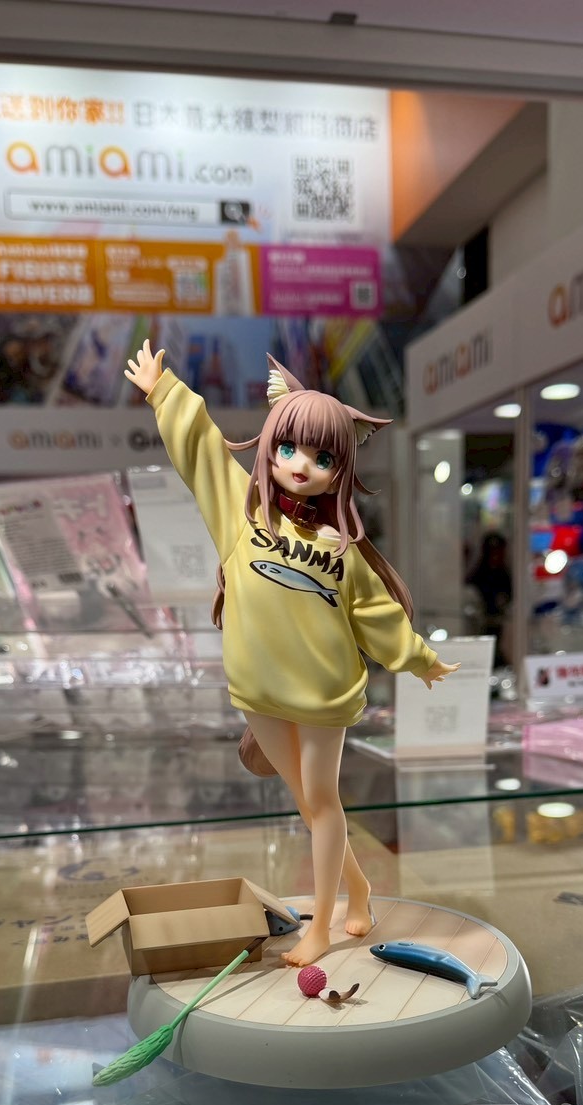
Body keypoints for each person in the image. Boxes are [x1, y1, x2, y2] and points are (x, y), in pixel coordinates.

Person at [126, 341, 458, 967]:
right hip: (258, 691)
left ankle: (323, 926)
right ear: (270, 447)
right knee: (311, 804)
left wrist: (419, 659)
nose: (302, 465)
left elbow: (374, 612)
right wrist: (163, 391)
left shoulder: (340, 546)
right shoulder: (240, 513)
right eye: (289, 448)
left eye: (323, 456)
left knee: (322, 803)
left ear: (341, 467)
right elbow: (201, 449)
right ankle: (359, 889)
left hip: (325, 696)